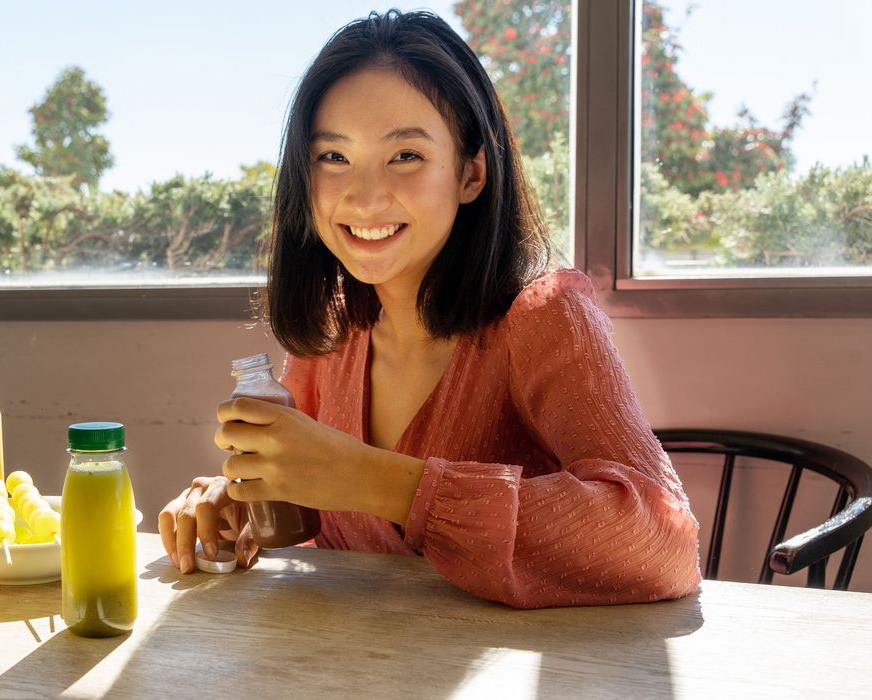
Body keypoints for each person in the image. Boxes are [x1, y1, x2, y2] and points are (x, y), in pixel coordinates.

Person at [157, 9, 701, 608]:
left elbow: (664, 544)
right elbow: (324, 537)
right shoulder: (332, 330)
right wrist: (236, 502)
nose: (364, 197)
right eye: (333, 158)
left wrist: (380, 482)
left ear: (471, 173)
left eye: (406, 156)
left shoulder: (546, 314)